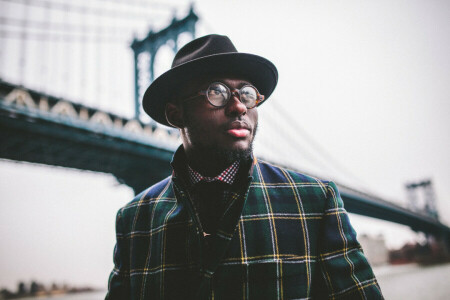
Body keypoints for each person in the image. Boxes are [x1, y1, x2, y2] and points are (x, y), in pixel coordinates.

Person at [106, 34, 383, 300]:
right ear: (176, 114)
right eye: (217, 92)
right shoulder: (133, 220)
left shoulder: (315, 201)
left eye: (247, 93)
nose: (239, 107)